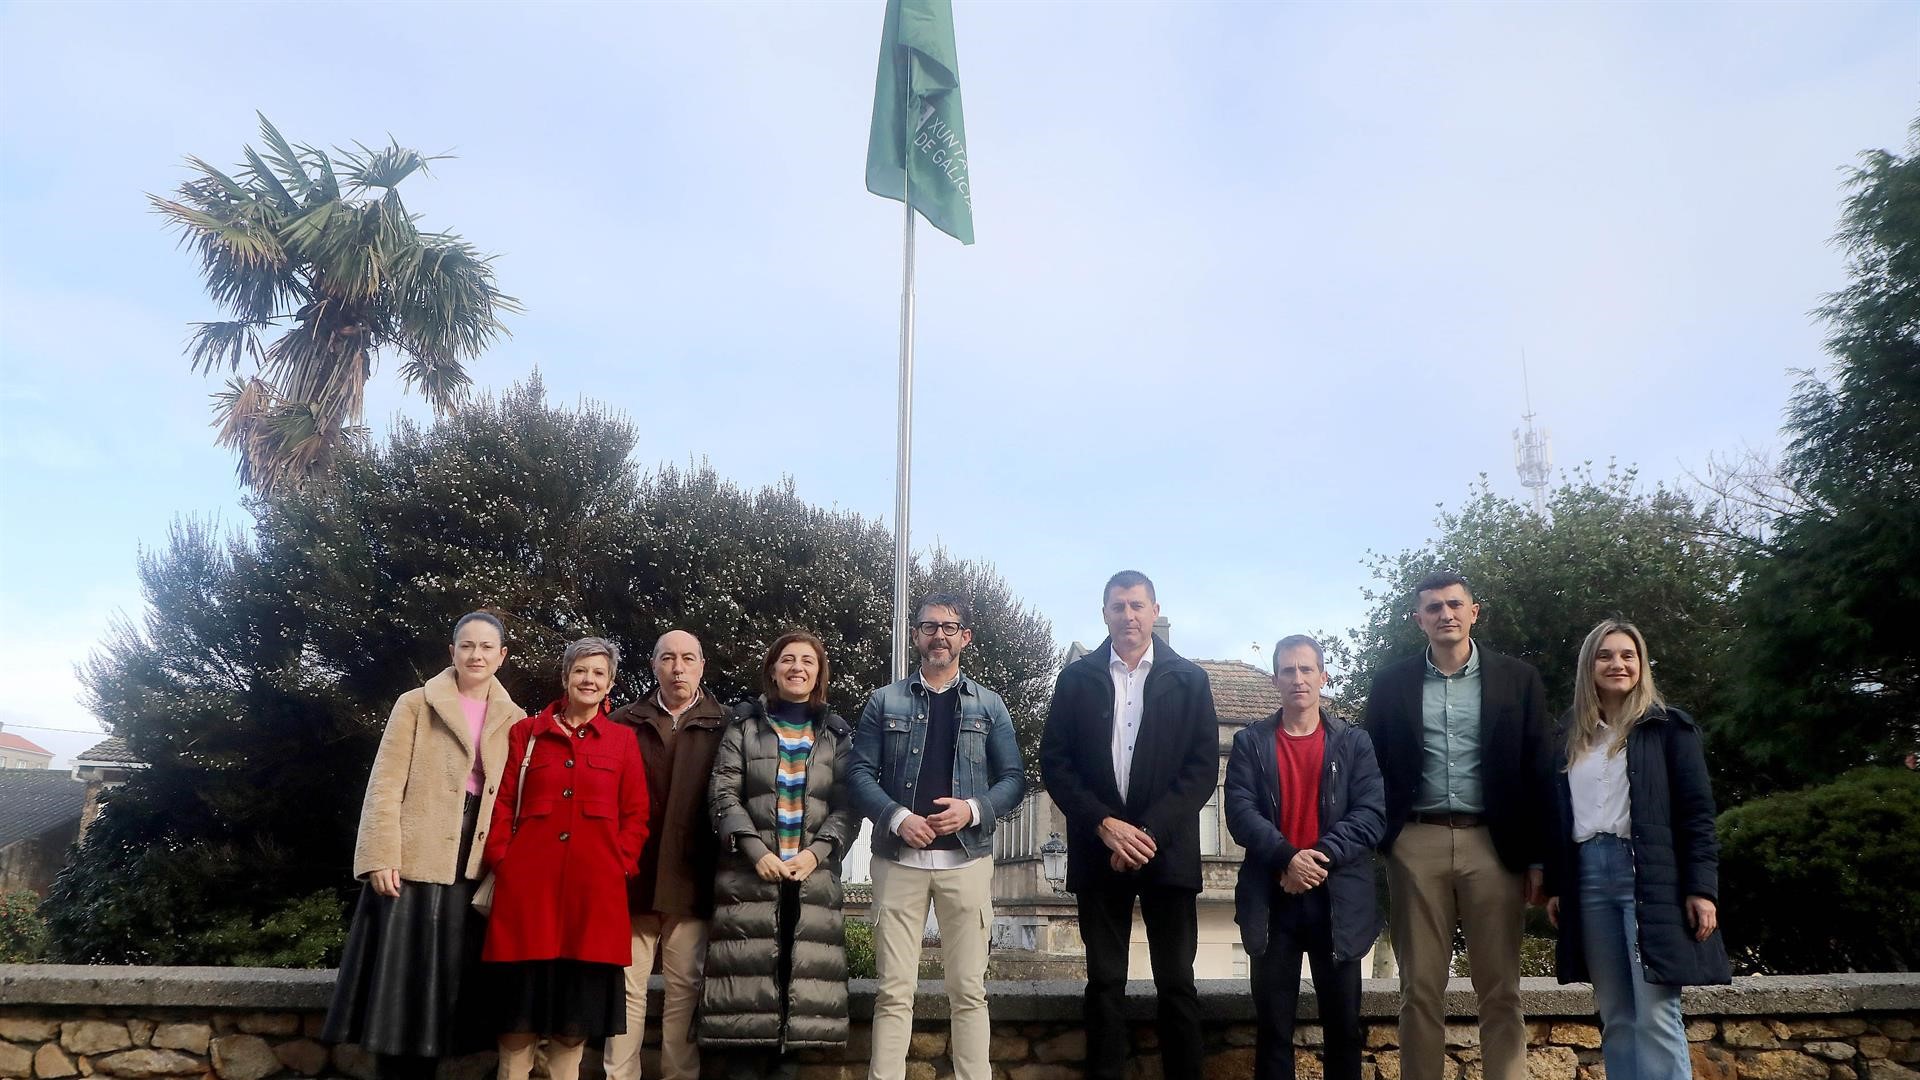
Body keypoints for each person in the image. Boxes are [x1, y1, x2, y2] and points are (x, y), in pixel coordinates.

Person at [1362, 572, 1553, 1080]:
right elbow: (1370, 764)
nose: (1444, 614)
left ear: (1474, 612)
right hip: (1415, 842)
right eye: (1433, 608)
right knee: (1420, 988)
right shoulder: (1391, 683)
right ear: (1418, 619)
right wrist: (1387, 838)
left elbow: (1539, 769)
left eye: (1454, 604)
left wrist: (1538, 857)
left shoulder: (1518, 680)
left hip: (1495, 843)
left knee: (1501, 989)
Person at [324, 611, 523, 1080]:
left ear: (502, 656)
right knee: (401, 986)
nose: (476, 655)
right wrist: (380, 855)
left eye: (486, 647)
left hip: (471, 863)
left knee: (448, 984)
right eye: (467, 645)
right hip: (413, 856)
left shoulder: (516, 720)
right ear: (451, 651)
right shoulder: (416, 703)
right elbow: (385, 783)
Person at [1038, 571, 1219, 1080]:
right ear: (1104, 614)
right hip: (1099, 849)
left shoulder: (1190, 679)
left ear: (1155, 611)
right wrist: (1104, 826)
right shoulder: (1076, 679)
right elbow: (1056, 763)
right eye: (1118, 606)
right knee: (1104, 984)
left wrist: (1146, 834)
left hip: (1169, 849)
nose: (1128, 615)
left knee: (1178, 984)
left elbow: (1202, 768)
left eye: (1137, 605)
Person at [847, 593, 1026, 1080]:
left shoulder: (990, 704)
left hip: (967, 864)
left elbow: (1013, 778)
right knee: (892, 991)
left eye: (949, 627)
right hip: (898, 862)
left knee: (969, 991)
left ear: (965, 637)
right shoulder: (884, 700)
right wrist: (897, 816)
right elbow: (859, 773)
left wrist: (972, 810)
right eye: (929, 627)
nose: (939, 636)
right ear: (916, 636)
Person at [1544, 619, 1730, 1080]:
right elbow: (1559, 818)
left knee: (1656, 1013)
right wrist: (1556, 885)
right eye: (1605, 656)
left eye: (1628, 655)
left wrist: (1702, 888)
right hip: (1587, 876)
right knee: (1616, 1015)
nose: (1617, 664)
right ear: (1589, 665)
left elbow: (1697, 815)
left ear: (1641, 664)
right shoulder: (1569, 734)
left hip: (1648, 876)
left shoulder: (1669, 728)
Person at [483, 638, 649, 1080]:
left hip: (593, 905)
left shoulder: (622, 741)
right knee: (516, 1027)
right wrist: (504, 860)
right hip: (525, 902)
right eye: (581, 671)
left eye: (598, 673)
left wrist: (621, 864)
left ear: (610, 682)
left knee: (572, 1030)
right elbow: (502, 805)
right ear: (565, 677)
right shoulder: (527, 734)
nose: (588, 679)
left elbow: (636, 814)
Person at [700, 631, 862, 1080]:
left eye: (807, 661)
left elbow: (849, 806)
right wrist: (754, 851)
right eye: (787, 659)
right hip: (749, 881)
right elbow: (723, 795)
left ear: (819, 673)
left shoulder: (835, 733)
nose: (797, 668)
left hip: (811, 883)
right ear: (772, 669)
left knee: (797, 1004)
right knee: (744, 1013)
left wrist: (817, 854)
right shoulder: (744, 725)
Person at [1225, 635, 1386, 1080]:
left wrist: (1316, 860)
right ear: (1276, 679)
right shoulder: (1250, 743)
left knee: (1343, 1028)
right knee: (1274, 1030)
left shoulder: (1354, 744)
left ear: (1323, 676)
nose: (1298, 679)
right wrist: (1287, 858)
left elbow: (1371, 815)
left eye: (1307, 669)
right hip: (1272, 896)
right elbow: (1240, 813)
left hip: (1338, 901)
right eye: (1289, 671)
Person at [603, 630, 729, 1080]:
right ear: (654, 665)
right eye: (668, 658)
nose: (678, 668)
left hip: (692, 879)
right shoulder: (621, 722)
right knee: (625, 991)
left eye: (688, 658)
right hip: (631, 878)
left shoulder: (727, 725)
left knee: (684, 992)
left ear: (702, 666)